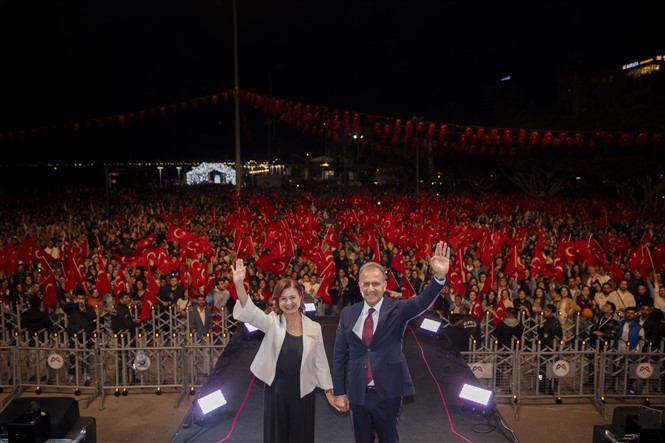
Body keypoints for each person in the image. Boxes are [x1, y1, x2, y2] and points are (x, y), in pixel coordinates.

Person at [332, 241, 450, 443]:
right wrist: (339, 392)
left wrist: (438, 278)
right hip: (358, 393)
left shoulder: (398, 309)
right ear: (359, 286)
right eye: (366, 284)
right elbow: (339, 356)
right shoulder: (348, 314)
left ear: (385, 286)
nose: (371, 288)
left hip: (388, 393)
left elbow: (422, 301)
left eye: (376, 283)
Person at [231, 258, 336, 443]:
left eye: (293, 297)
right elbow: (251, 312)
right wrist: (239, 285)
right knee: (276, 436)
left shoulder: (314, 328)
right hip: (276, 390)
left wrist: (329, 391)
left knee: (301, 436)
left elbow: (320, 362)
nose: (289, 303)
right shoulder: (272, 322)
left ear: (301, 298)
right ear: (277, 301)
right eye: (283, 298)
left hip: (304, 391)